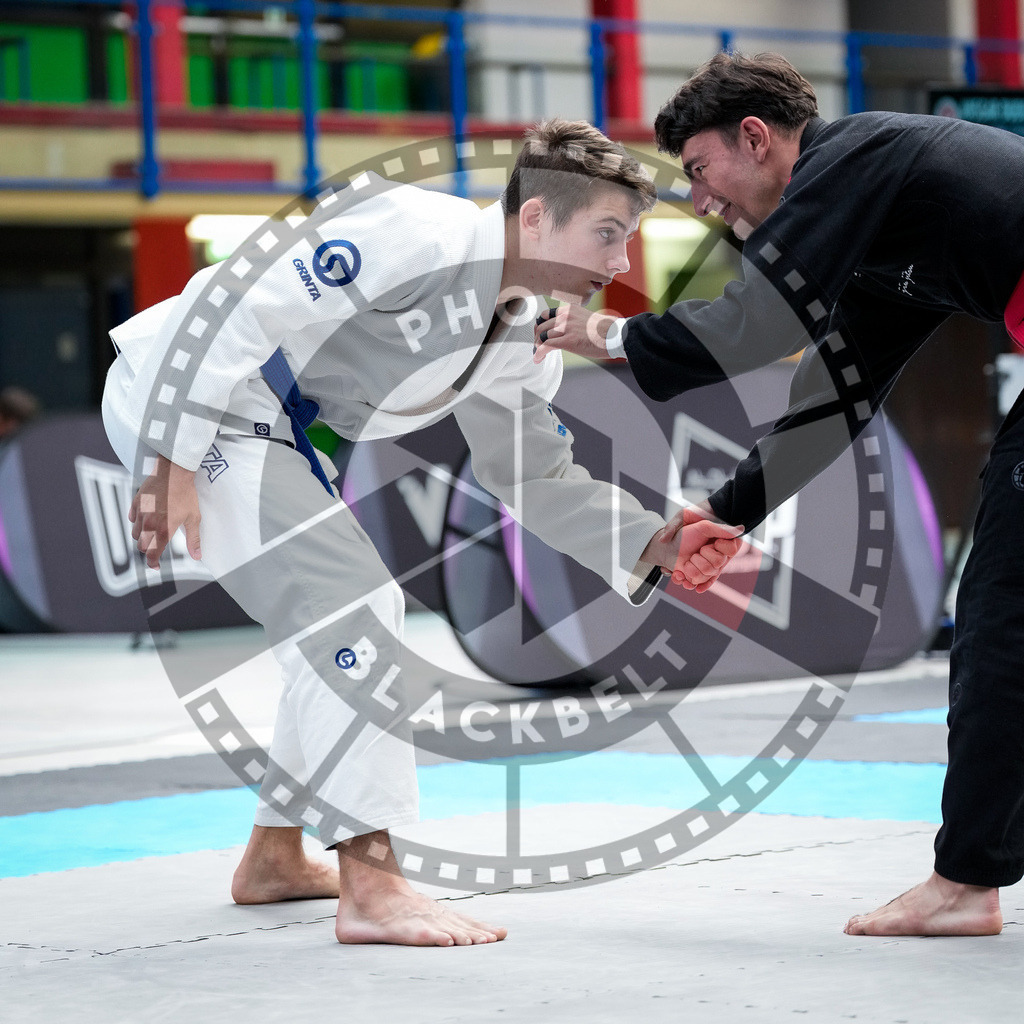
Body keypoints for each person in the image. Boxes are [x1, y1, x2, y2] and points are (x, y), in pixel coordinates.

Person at [102, 118, 741, 947]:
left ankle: (274, 856)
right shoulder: (414, 232)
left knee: (330, 633)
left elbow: (533, 474)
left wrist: (651, 539)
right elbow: (238, 302)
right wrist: (172, 458)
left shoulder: (522, 333)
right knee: (357, 607)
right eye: (609, 234)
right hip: (194, 399)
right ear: (538, 217)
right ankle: (371, 883)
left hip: (275, 430)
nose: (621, 263)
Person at [533, 52, 1024, 937]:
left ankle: (967, 881)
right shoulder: (883, 228)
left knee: (1004, 614)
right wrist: (729, 510)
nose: (701, 200)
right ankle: (972, 875)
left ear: (756, 137)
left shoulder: (856, 158)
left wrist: (605, 332)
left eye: (700, 171)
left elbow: (756, 323)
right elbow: (837, 393)